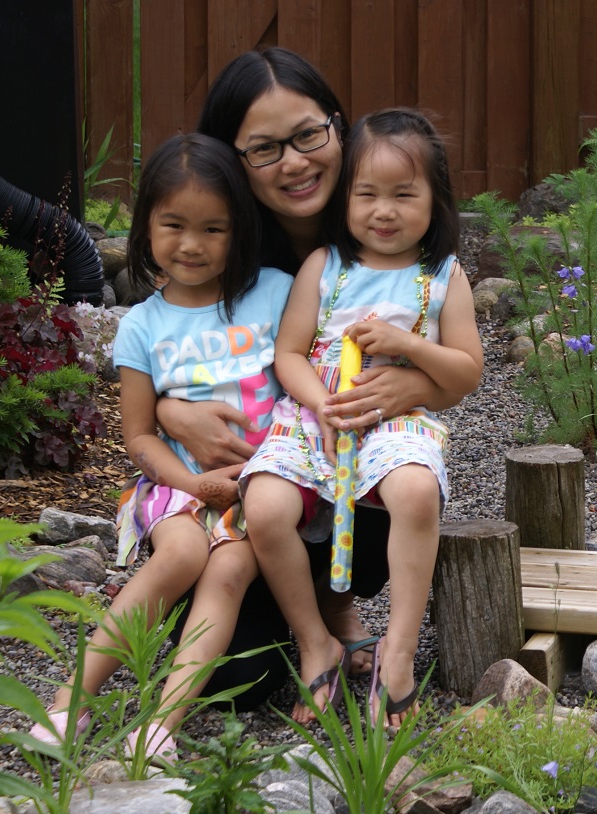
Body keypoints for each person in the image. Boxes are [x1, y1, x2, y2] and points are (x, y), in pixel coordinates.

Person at [156, 48, 469, 697]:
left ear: (337, 126)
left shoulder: (399, 245)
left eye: (307, 135)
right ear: (232, 159)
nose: (295, 162)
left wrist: (413, 380)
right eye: (265, 149)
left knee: (406, 487)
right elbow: (166, 349)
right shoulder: (223, 246)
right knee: (239, 677)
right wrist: (168, 410)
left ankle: (355, 619)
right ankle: (320, 626)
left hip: (368, 463)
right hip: (256, 483)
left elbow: (461, 365)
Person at [31, 134, 294, 759]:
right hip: (176, 485)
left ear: (240, 231)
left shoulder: (275, 293)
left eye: (213, 228)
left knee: (228, 570)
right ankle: (70, 701)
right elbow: (139, 434)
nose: (192, 244)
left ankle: (162, 725)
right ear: (145, 224)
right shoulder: (142, 326)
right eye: (173, 224)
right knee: (180, 558)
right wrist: (190, 483)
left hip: (260, 491)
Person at [241, 109, 482, 724]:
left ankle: (396, 653)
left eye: (406, 194)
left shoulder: (442, 278)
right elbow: (289, 353)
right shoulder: (326, 268)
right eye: (367, 193)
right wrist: (318, 402)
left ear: (436, 201)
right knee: (266, 505)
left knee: (416, 491)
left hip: (397, 419)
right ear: (345, 198)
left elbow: (466, 373)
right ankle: (313, 638)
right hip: (315, 413)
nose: (385, 210)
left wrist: (411, 347)